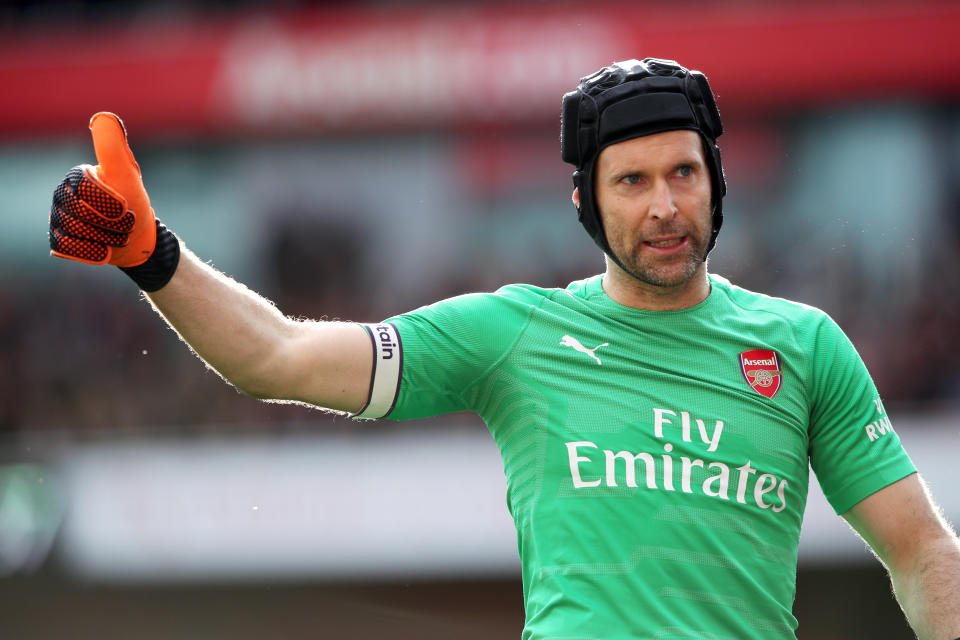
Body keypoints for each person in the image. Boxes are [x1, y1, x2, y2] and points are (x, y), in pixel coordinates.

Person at [48, 58, 960, 639]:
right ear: (585, 206)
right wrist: (153, 256)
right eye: (632, 181)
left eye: (685, 172)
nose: (664, 205)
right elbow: (279, 357)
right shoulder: (514, 333)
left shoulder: (803, 345)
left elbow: (921, 551)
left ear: (717, 182)